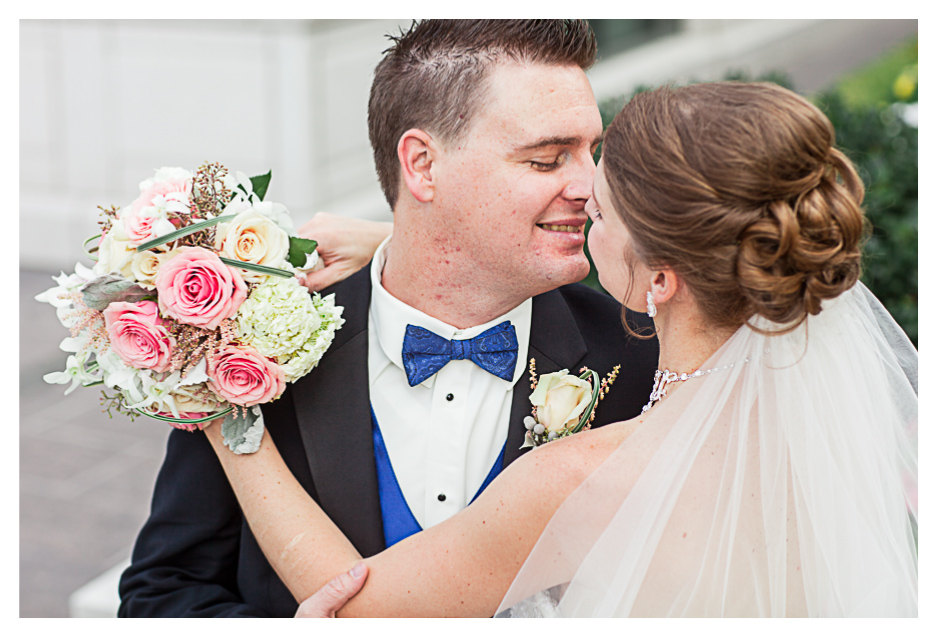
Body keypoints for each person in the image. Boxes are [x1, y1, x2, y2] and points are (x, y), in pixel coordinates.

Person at [200, 81, 918, 617]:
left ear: (661, 279)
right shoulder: (856, 431)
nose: (577, 210)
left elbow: (355, 613)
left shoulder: (585, 479)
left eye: (598, 212)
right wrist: (399, 245)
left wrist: (222, 418)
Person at [118, 20, 658, 617]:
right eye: (547, 159)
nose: (591, 187)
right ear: (422, 165)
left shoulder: (641, 355)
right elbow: (162, 594)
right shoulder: (249, 348)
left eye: (592, 152)